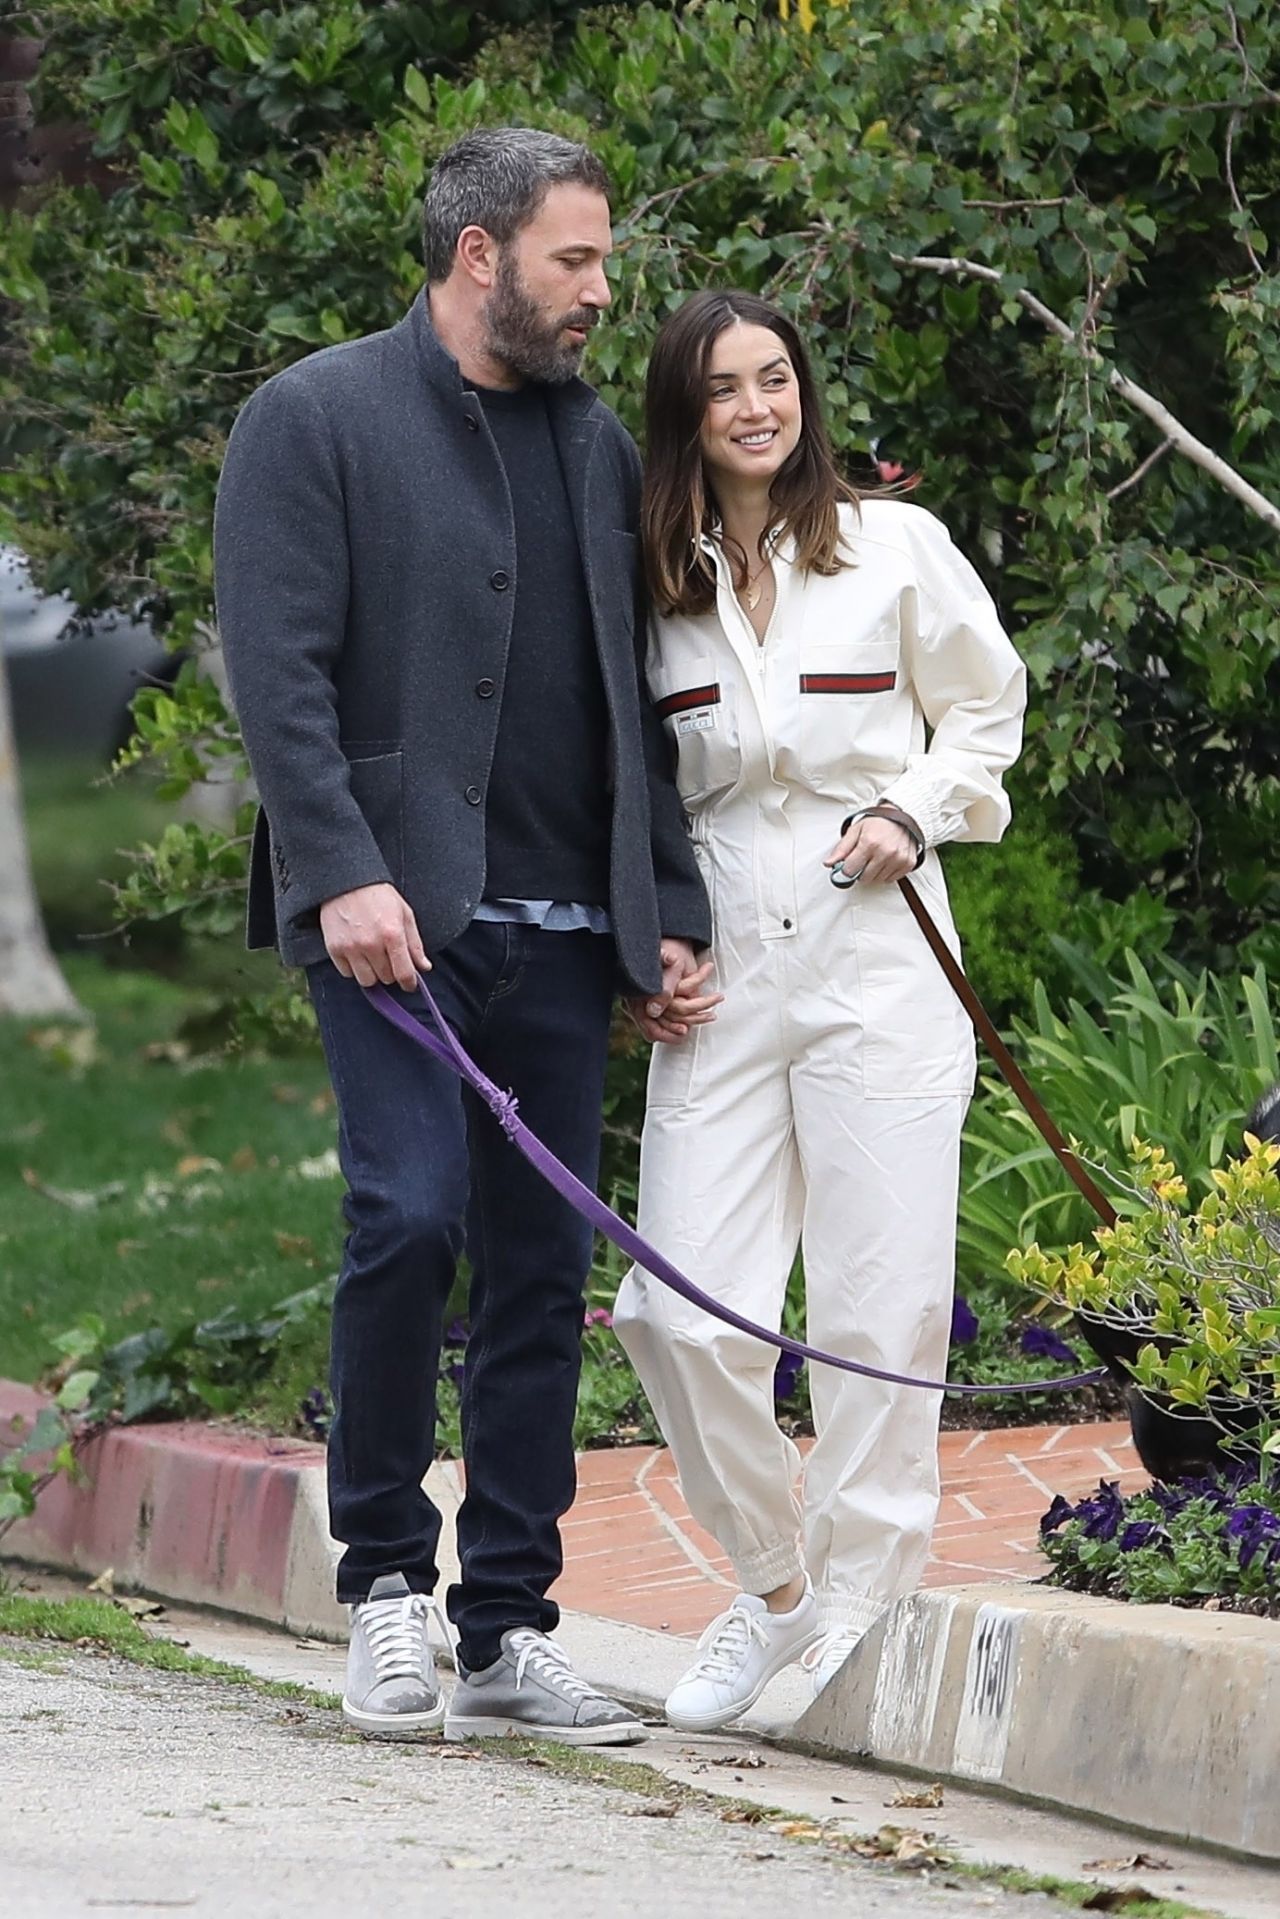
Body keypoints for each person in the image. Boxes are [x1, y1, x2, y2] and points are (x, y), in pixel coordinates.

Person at [213, 128, 710, 1746]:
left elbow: (631, 703)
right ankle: (381, 1590)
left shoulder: (590, 445)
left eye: (605, 261)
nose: (600, 292)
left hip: (566, 928)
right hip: (389, 926)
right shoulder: (314, 416)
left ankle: (503, 1624)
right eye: (576, 259)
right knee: (407, 1217)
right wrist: (339, 870)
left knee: (536, 1276)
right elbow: (277, 672)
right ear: (481, 255)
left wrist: (666, 912)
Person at [612, 289, 1027, 1733]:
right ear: (687, 412)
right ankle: (777, 1589)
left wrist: (917, 808)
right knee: (678, 1310)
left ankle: (866, 1601)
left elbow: (988, 707)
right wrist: (635, 946)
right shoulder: (652, 580)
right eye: (722, 387)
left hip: (877, 954)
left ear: (805, 393)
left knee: (881, 1303)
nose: (753, 406)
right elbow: (618, 786)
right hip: (722, 965)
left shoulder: (891, 547)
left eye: (773, 378)